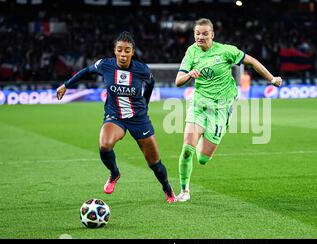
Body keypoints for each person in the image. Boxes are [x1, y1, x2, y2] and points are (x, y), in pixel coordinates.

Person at [56, 31, 177, 203]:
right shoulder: (105, 65)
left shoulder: (141, 70)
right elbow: (86, 71)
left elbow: (150, 83)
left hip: (139, 119)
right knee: (105, 145)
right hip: (116, 117)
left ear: (132, 52)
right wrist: (65, 85)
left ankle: (167, 188)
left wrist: (145, 103)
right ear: (115, 51)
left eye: (127, 50)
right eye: (120, 50)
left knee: (155, 164)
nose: (123, 54)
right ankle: (114, 173)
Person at [174, 18, 282, 202]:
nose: (200, 37)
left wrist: (272, 78)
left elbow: (252, 62)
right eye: (197, 34)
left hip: (221, 108)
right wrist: (189, 75)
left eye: (204, 33)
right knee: (186, 150)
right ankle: (184, 191)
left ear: (212, 35)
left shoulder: (226, 51)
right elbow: (178, 81)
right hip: (199, 105)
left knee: (202, 159)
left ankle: (203, 140)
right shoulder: (191, 52)